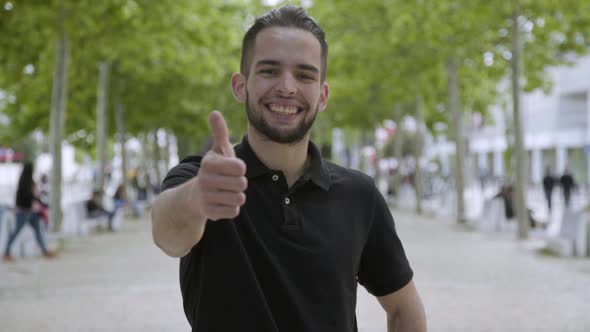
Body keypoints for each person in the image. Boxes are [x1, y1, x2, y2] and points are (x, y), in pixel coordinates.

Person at [151, 5, 426, 332]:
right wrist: (199, 197)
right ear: (241, 86)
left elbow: (404, 309)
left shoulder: (360, 196)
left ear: (322, 96)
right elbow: (167, 234)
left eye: (305, 75)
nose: (286, 87)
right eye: (269, 71)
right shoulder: (202, 179)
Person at [3, 162, 57, 262]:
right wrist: (41, 202)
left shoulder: (27, 181)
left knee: (37, 230)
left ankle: (45, 250)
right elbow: (29, 196)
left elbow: (33, 196)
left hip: (30, 212)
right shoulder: (24, 182)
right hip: (23, 211)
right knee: (16, 231)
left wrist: (41, 202)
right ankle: (6, 252)